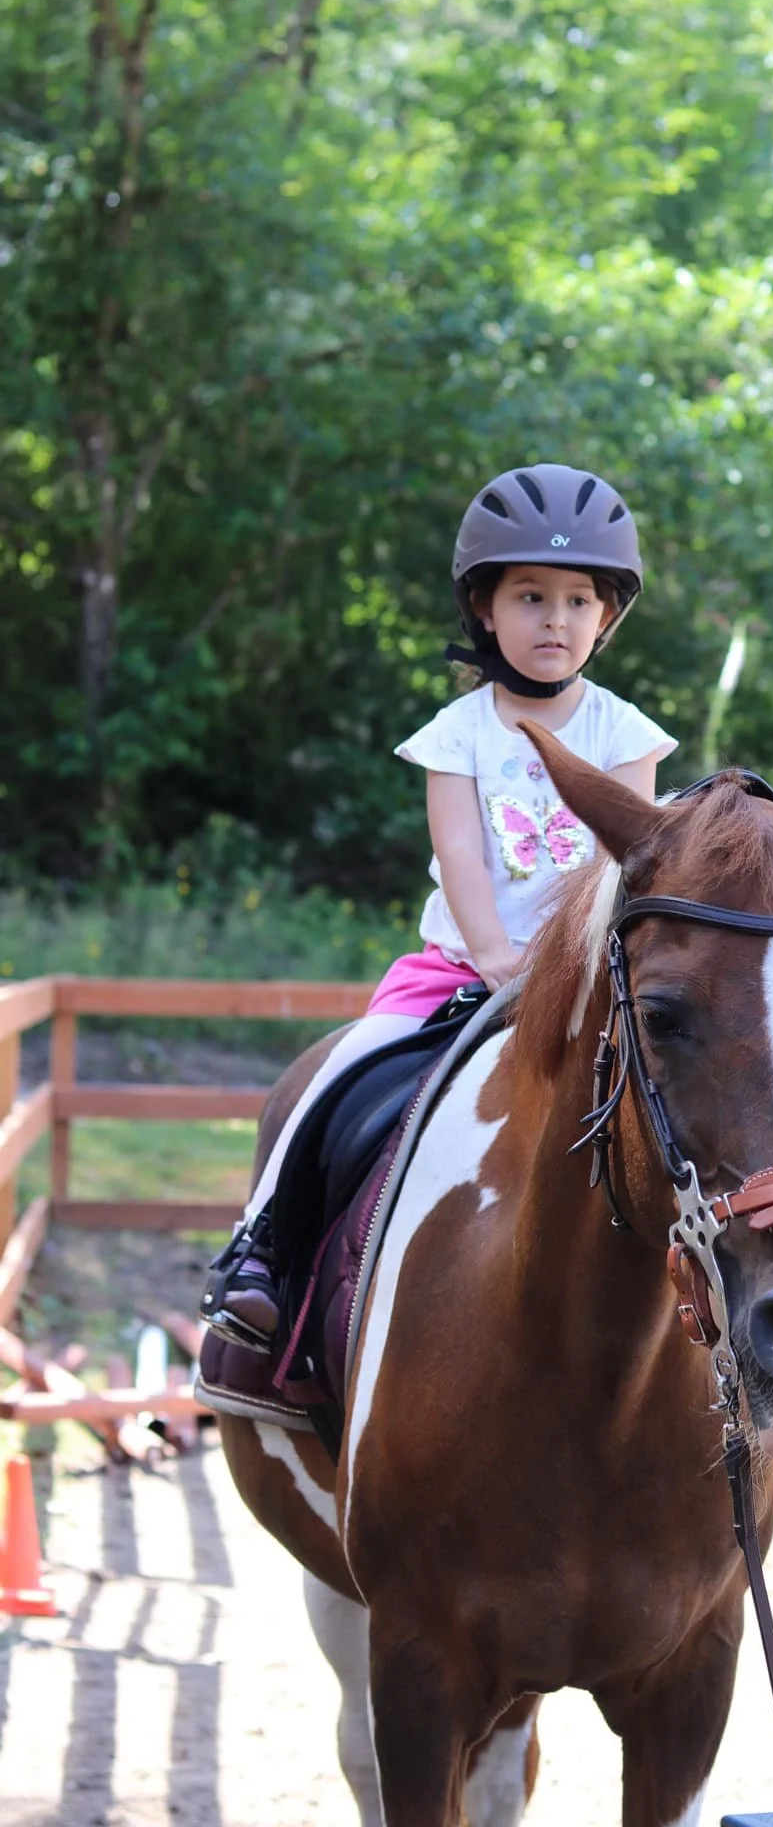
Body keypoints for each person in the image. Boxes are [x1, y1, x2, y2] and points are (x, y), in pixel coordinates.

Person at [201, 463, 676, 1350]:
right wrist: (495, 954)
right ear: (485, 612)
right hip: (462, 966)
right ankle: (260, 1251)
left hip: (590, 975)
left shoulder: (625, 733)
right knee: (344, 1071)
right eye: (531, 597)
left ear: (606, 618)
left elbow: (631, 860)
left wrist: (573, 966)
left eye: (579, 600)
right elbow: (460, 851)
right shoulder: (459, 734)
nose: (556, 619)